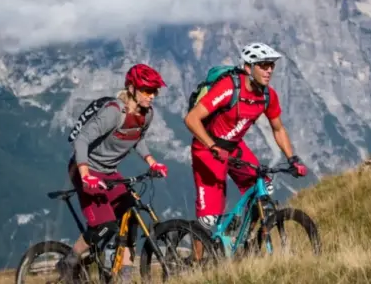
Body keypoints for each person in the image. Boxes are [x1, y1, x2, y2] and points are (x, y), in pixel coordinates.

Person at [57, 63, 169, 284]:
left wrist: (152, 162)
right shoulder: (114, 112)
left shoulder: (147, 115)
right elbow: (82, 140)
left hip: (109, 173)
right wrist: (85, 174)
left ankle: (124, 277)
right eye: (147, 90)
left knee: (131, 218)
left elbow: (138, 138)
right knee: (103, 225)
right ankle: (69, 261)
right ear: (131, 88)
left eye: (155, 91)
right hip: (85, 169)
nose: (152, 96)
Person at [183, 42, 308, 236]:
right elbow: (191, 119)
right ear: (248, 67)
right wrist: (213, 146)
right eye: (263, 65)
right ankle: (197, 263)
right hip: (208, 147)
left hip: (234, 146)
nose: (269, 70)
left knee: (263, 187)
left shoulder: (268, 95)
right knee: (208, 219)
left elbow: (278, 129)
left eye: (271, 65)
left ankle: (245, 240)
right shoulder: (229, 88)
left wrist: (292, 159)